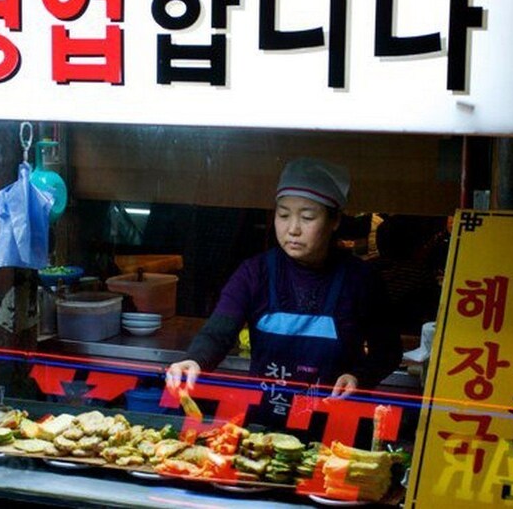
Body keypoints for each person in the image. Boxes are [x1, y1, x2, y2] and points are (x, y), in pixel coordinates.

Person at [165, 157, 403, 426]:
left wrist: (360, 377)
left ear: (334, 220)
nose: (293, 229)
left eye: (307, 217)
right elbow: (219, 331)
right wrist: (195, 360)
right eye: (283, 215)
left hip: (335, 434)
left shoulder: (360, 279)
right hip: (263, 431)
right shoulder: (255, 273)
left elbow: (388, 351)